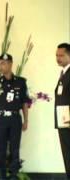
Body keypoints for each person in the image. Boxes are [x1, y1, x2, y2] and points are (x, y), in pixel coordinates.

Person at [0, 53, 30, 180]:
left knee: (15, 148)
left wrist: (26, 120)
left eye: (3, 63)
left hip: (15, 119)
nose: (0, 66)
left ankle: (14, 175)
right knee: (0, 149)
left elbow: (24, 103)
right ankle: (2, 175)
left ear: (10, 64)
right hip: (1, 120)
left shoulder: (21, 82)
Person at [54, 43, 70, 179]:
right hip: (63, 120)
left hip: (68, 121)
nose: (58, 58)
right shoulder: (64, 73)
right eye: (56, 55)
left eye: (61, 55)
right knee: (67, 154)